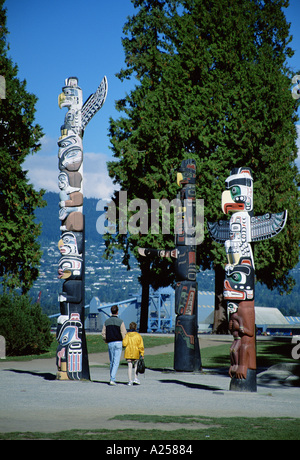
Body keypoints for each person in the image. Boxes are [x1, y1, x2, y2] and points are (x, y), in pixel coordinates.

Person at [101, 305, 126, 385]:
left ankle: (112, 377)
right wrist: (124, 342)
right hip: (118, 342)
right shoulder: (120, 321)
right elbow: (123, 333)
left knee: (111, 362)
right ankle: (112, 378)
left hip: (110, 342)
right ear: (117, 311)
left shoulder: (106, 322)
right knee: (116, 362)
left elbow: (103, 333)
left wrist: (106, 340)